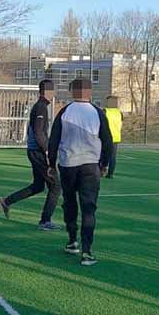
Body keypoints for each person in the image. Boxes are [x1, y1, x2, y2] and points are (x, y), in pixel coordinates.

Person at [50, 78, 113, 266]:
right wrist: (104, 163)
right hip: (90, 165)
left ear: (72, 91)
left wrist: (51, 163)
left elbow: (54, 139)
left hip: (68, 164)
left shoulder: (64, 111)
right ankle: (87, 251)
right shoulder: (97, 112)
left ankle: (72, 241)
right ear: (90, 91)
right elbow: (107, 141)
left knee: (69, 203)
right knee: (88, 207)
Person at [0, 79, 61, 230]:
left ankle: (7, 201)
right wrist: (46, 151)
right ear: (46, 92)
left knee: (39, 185)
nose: (53, 94)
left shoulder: (40, 107)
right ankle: (45, 221)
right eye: (52, 91)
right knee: (55, 186)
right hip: (38, 152)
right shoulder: (40, 108)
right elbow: (38, 132)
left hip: (34, 151)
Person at [103, 96, 123, 178]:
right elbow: (121, 125)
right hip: (116, 137)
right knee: (113, 157)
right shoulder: (119, 112)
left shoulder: (105, 111)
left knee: (103, 155)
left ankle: (102, 170)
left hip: (106, 136)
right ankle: (110, 174)